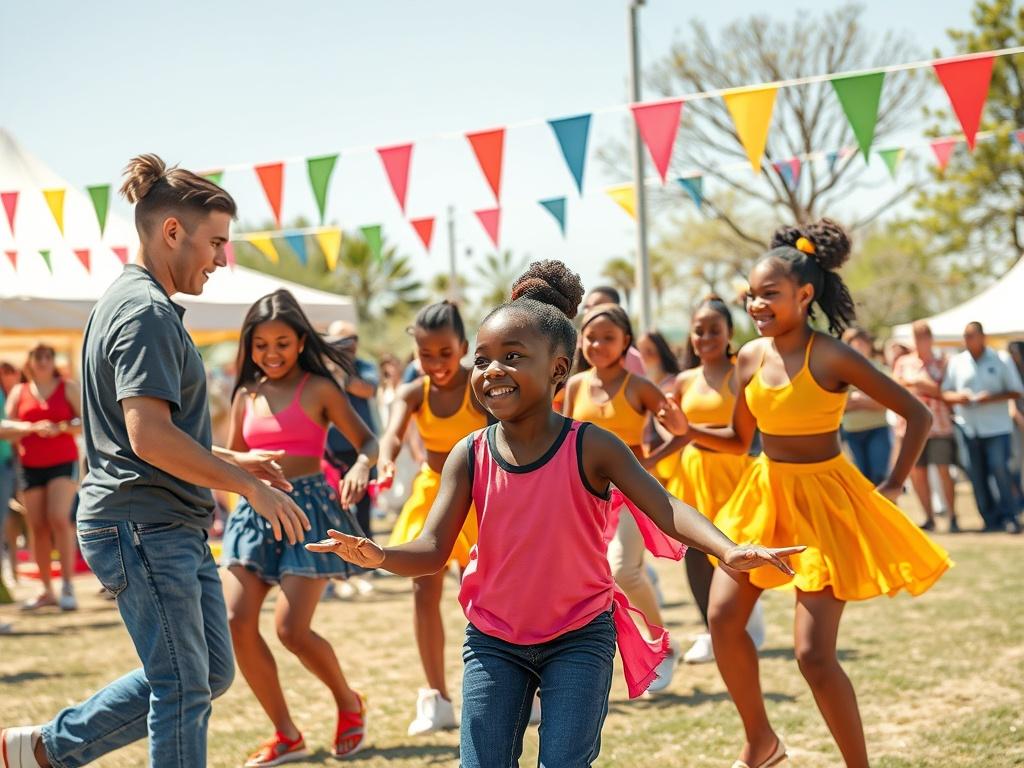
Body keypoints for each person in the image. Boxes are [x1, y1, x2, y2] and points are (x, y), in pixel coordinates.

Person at [308, 259, 799, 768]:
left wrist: (727, 548)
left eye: (513, 356)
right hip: (493, 641)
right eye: (483, 359)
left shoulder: (592, 447)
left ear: (558, 368)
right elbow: (433, 550)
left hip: (579, 638)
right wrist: (378, 553)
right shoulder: (469, 453)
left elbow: (665, 505)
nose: (492, 370)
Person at [0, 154, 309, 768]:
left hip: (163, 521)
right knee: (182, 686)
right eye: (216, 243)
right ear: (173, 232)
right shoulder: (144, 312)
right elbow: (148, 440)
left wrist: (230, 457)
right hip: (143, 524)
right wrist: (248, 485)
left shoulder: (138, 302)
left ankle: (38, 750)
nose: (222, 259)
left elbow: (146, 432)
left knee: (206, 674)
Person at [684, 220, 951, 768]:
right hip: (764, 495)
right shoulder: (750, 357)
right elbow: (739, 440)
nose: (757, 305)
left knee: (813, 655)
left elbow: (917, 414)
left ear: (805, 296)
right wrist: (683, 431)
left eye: (770, 295)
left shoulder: (831, 355)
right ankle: (761, 742)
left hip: (825, 504)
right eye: (752, 295)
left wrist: (894, 484)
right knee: (722, 621)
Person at [221, 291, 377, 764]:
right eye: (261, 344)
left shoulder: (320, 388)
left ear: (301, 340)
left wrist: (360, 466)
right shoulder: (245, 394)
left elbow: (366, 439)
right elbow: (224, 455)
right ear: (249, 346)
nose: (271, 354)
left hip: (308, 510)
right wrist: (236, 491)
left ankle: (348, 702)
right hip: (253, 511)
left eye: (283, 343)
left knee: (291, 630)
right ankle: (285, 733)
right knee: (235, 621)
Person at [563, 302, 688, 692]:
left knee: (624, 570)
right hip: (584, 493)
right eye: (591, 337)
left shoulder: (639, 386)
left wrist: (649, 462)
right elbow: (565, 436)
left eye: (608, 338)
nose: (597, 345)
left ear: (625, 343)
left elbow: (682, 432)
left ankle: (661, 643)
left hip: (631, 491)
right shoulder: (575, 386)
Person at [377, 301, 488, 735]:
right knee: (424, 589)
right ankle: (437, 698)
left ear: (463, 346)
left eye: (446, 353)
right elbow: (391, 434)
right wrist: (385, 461)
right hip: (435, 492)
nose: (437, 363)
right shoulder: (413, 392)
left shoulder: (478, 386)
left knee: (485, 591)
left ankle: (519, 685)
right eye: (427, 355)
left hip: (481, 492)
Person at [646, 296, 764, 666]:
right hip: (693, 473)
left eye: (715, 329)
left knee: (734, 548)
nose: (706, 336)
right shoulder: (683, 381)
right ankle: (712, 631)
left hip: (734, 471)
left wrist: (691, 431)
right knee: (696, 552)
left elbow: (743, 431)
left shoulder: (741, 371)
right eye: (699, 330)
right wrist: (648, 461)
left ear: (729, 332)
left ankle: (745, 619)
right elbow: (677, 434)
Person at [4, 345, 82, 611]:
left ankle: (68, 585)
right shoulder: (19, 391)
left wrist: (61, 427)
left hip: (62, 462)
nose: (43, 361)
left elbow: (86, 422)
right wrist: (30, 427)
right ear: (30, 362)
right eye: (38, 357)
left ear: (53, 361)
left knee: (59, 518)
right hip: (30, 464)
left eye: (48, 356)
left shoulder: (68, 387)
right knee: (37, 526)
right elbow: (7, 427)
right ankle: (47, 590)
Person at [942, 321, 1024, 533]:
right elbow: (945, 393)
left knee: (1000, 470)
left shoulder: (1000, 359)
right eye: (965, 336)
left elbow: (1016, 391)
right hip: (968, 427)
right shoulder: (957, 362)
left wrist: (992, 398)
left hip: (997, 427)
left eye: (972, 336)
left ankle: (1010, 516)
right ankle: (989, 519)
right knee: (976, 474)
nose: (968, 341)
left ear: (982, 337)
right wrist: (960, 398)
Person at [893, 321, 959, 532]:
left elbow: (945, 391)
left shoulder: (943, 361)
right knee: (917, 474)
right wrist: (920, 385)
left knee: (943, 471)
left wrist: (921, 385)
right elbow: (895, 387)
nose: (920, 341)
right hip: (910, 428)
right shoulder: (904, 362)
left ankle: (952, 516)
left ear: (930, 338)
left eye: (924, 336)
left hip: (938, 425)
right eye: (917, 337)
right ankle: (929, 517)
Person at [322, 320, 378, 540]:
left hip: (362, 446)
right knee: (337, 500)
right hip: (332, 446)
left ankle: (366, 548)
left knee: (363, 501)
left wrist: (340, 374)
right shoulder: (323, 369)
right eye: (337, 342)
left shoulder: (364, 366)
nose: (344, 347)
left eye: (348, 340)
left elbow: (368, 389)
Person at [839, 328, 893, 486]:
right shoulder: (840, 372)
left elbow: (885, 403)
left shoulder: (880, 369)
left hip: (878, 429)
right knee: (861, 481)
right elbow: (839, 404)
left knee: (879, 476)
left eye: (862, 343)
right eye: (854, 344)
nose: (859, 347)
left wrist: (856, 402)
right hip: (851, 432)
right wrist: (868, 401)